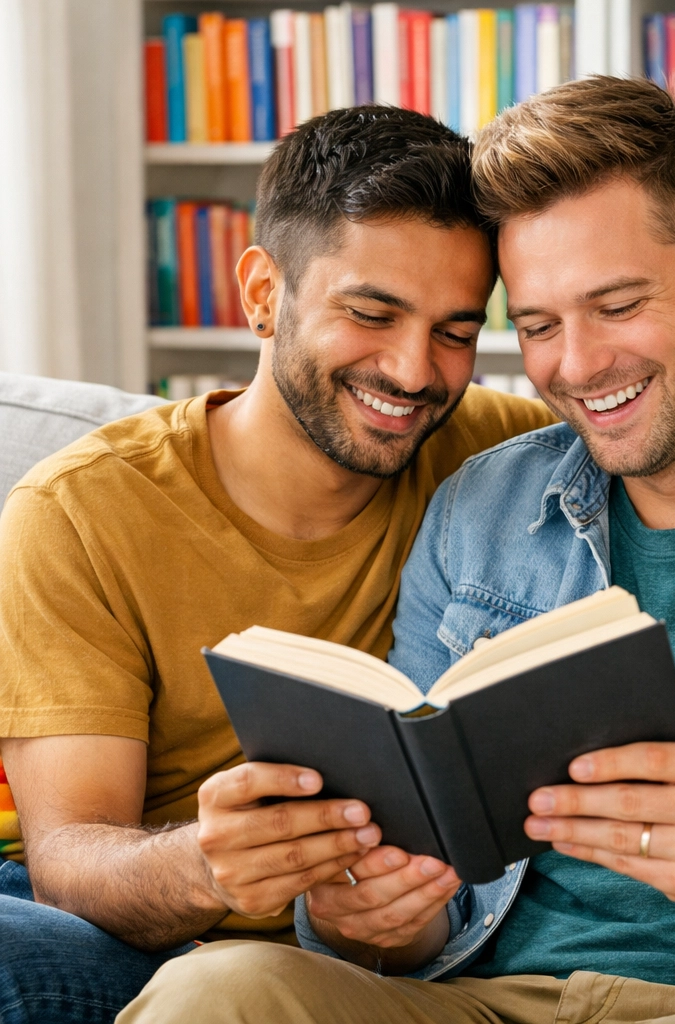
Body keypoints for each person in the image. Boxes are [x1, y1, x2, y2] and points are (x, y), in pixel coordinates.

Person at [117, 79, 675, 1024]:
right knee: (216, 989)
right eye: (539, 326)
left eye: (619, 304)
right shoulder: (484, 507)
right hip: (479, 999)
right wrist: (365, 914)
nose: (578, 366)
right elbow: (418, 919)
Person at [0, 106, 554, 1024]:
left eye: (455, 331)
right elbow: (69, 861)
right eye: (371, 313)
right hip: (149, 942)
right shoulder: (81, 512)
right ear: (263, 293)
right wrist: (204, 863)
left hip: (395, 957)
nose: (415, 372)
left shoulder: (502, 455)